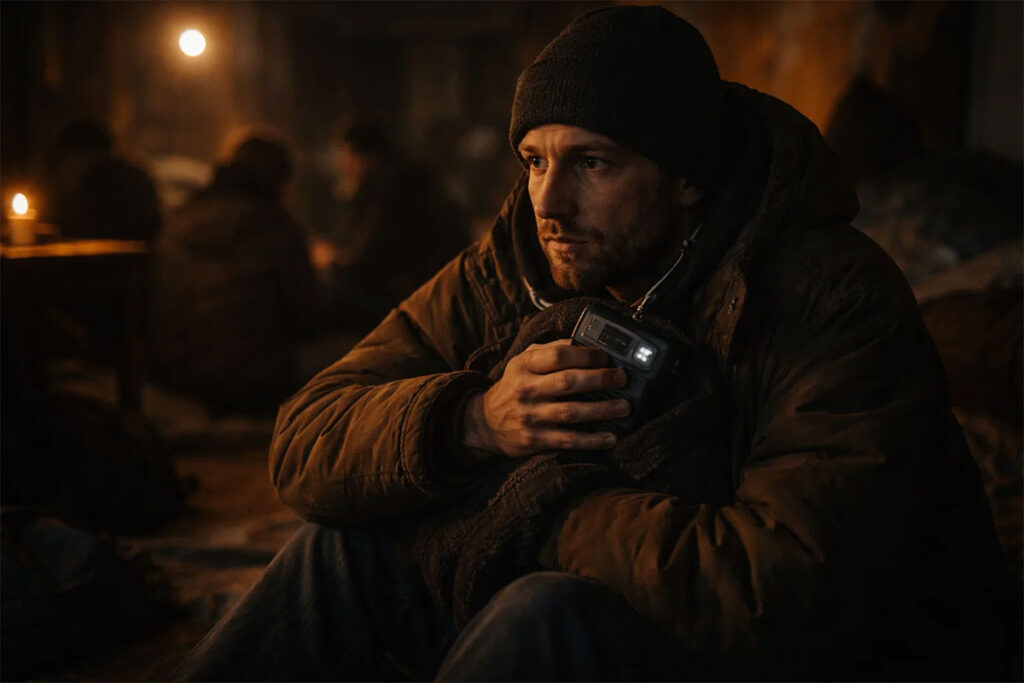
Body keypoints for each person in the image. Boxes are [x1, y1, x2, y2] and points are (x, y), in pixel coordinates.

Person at [175, 6, 1006, 680]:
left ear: (687, 176)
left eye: (593, 164)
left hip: (819, 657)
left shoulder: (829, 293)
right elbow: (305, 438)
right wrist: (472, 420)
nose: (549, 201)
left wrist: (535, 505)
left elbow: (779, 590)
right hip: (608, 583)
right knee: (345, 543)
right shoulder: (514, 264)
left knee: (547, 612)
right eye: (534, 160)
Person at [149, 132, 324, 415]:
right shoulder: (276, 226)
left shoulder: (180, 218)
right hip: (253, 380)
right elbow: (307, 318)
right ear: (279, 179)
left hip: (174, 374)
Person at [308, 119, 470, 333]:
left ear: (366, 156)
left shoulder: (395, 190)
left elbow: (371, 260)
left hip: (417, 298)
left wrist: (332, 262)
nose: (342, 164)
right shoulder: (401, 180)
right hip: (425, 291)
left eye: (346, 155)